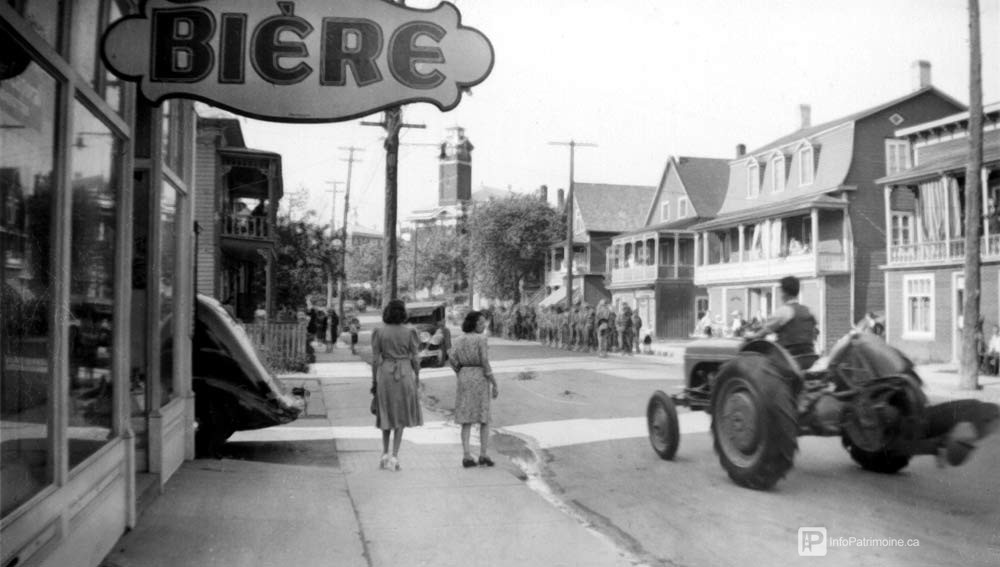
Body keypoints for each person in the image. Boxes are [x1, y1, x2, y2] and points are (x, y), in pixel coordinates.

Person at [371, 299, 423, 471]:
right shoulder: (410, 332)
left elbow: (375, 359)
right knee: (400, 415)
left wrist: (374, 381)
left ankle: (384, 453)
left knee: (386, 412)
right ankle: (394, 455)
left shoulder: (379, 332)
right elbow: (415, 357)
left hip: (385, 373)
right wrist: (417, 375)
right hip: (404, 373)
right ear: (403, 313)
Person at [450, 311, 499, 468]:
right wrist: (494, 382)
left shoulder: (458, 340)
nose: (483, 325)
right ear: (473, 324)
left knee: (466, 417)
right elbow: (484, 360)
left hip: (464, 375)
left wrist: (460, 372)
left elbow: (452, 359)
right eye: (480, 323)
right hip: (479, 376)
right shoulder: (481, 339)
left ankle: (466, 455)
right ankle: (483, 454)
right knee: (483, 416)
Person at [747, 275, 818, 369]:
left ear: (785, 293)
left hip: (788, 358)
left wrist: (751, 336)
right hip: (809, 356)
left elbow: (765, 331)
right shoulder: (809, 311)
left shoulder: (784, 311)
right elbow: (815, 333)